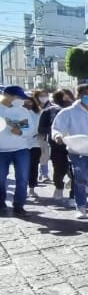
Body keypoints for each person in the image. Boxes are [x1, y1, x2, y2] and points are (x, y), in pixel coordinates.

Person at [53, 83, 88, 220]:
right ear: (79, 95)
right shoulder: (68, 112)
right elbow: (56, 128)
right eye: (87, 95)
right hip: (77, 152)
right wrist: (58, 136)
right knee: (80, 180)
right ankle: (81, 207)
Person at [0, 85, 34, 216]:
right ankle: (1, 204)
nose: (21, 100)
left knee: (22, 178)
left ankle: (19, 205)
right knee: (1, 179)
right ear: (7, 95)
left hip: (21, 149)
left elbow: (30, 129)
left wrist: (20, 132)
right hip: (1, 151)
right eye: (18, 97)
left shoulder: (22, 111)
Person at [39, 89, 74, 202]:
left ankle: (74, 196)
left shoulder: (77, 111)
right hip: (57, 146)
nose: (67, 100)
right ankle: (59, 187)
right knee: (59, 170)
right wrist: (56, 130)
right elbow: (41, 129)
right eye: (64, 97)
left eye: (69, 97)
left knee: (76, 171)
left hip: (75, 145)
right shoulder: (49, 111)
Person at [22, 95, 43, 199]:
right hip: (21, 145)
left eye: (30, 102)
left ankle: (32, 189)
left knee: (33, 167)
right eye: (26, 102)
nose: (28, 104)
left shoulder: (38, 113)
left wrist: (41, 133)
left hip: (35, 144)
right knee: (22, 169)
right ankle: (22, 189)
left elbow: (42, 127)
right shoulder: (18, 113)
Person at [33, 89, 52, 183]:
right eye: (41, 95)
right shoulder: (32, 107)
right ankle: (33, 175)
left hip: (44, 134)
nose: (44, 97)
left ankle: (43, 174)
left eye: (46, 95)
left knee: (45, 154)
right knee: (34, 156)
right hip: (31, 135)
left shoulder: (51, 107)